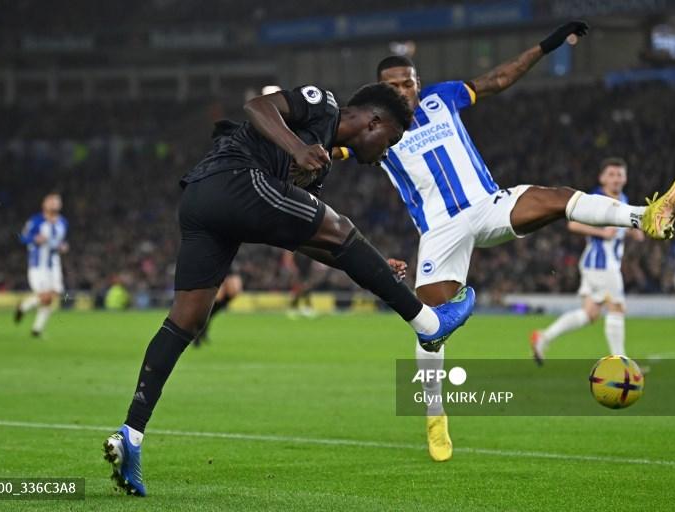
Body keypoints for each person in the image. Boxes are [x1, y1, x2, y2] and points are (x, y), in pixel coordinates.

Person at [103, 82, 476, 496]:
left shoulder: (319, 167)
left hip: (201, 202)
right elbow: (257, 106)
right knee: (342, 228)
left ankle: (131, 435)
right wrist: (297, 149)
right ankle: (428, 324)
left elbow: (307, 237)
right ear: (373, 122)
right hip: (235, 179)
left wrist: (370, 264)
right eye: (389, 141)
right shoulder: (324, 105)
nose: (386, 153)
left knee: (186, 319)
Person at [340, 21, 675, 462]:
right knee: (429, 329)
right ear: (379, 91)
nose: (403, 91)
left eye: (408, 83)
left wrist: (548, 45)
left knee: (558, 198)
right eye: (393, 86)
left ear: (418, 83)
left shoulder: (442, 99)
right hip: (440, 231)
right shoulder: (372, 129)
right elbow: (331, 149)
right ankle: (435, 414)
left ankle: (645, 217)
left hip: (488, 205)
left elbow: (499, 78)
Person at [530, 158, 644, 362]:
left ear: (625, 178)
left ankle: (543, 337)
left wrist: (632, 231)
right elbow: (573, 224)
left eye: (620, 174)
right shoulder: (596, 199)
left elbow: (621, 229)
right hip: (602, 264)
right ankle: (621, 364)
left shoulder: (624, 199)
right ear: (602, 178)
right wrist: (602, 233)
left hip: (599, 264)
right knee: (617, 308)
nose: (616, 178)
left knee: (590, 314)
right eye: (611, 174)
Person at [14, 193, 69, 337]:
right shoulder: (36, 221)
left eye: (57, 201)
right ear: (44, 204)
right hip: (38, 264)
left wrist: (63, 246)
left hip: (54, 264)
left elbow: (60, 242)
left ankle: (34, 326)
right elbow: (21, 237)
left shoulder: (63, 222)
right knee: (45, 296)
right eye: (51, 201)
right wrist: (34, 238)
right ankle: (32, 322)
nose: (54, 204)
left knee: (54, 294)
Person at [193, 271, 243, 346]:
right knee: (215, 301)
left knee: (233, 291)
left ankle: (201, 330)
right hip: (216, 272)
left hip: (226, 271)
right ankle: (198, 332)